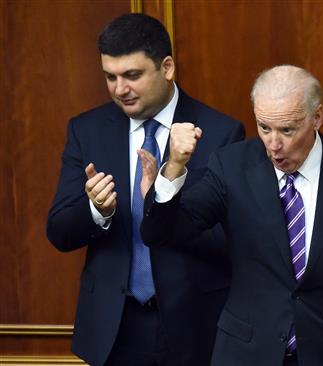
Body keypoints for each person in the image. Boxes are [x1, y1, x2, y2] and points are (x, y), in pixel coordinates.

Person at [139, 65, 323, 366]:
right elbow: (162, 233)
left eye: (287, 130)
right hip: (247, 354)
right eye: (264, 128)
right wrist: (174, 167)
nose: (273, 145)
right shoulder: (231, 167)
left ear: (317, 117)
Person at [46, 13, 244, 366]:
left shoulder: (220, 133)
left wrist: (167, 193)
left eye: (132, 75)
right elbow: (59, 232)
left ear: (166, 67)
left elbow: (232, 242)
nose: (120, 89)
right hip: (113, 328)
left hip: (194, 326)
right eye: (110, 76)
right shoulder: (86, 130)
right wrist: (97, 210)